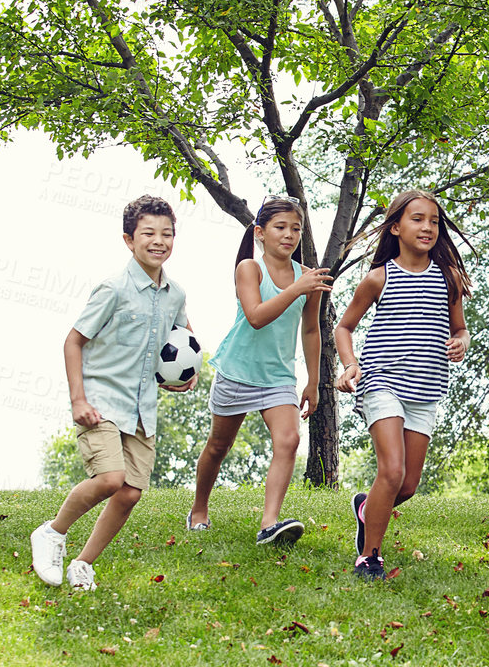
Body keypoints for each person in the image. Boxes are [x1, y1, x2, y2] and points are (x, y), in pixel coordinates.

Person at [30, 195, 193, 592]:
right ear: (128, 239)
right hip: (101, 401)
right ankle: (52, 532)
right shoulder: (113, 288)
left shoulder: (176, 295)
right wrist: (78, 401)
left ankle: (83, 563)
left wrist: (182, 374)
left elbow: (183, 342)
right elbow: (73, 341)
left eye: (167, 234)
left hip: (142, 408)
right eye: (149, 233)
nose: (159, 241)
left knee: (130, 492)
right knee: (109, 478)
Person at [333, 189, 470, 580]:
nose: (427, 227)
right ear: (395, 227)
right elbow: (344, 327)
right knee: (391, 472)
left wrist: (460, 341)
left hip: (426, 391)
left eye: (434, 221)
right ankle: (370, 556)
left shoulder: (449, 279)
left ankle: (365, 509)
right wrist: (349, 365)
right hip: (382, 382)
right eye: (417, 219)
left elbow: (461, 329)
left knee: (406, 486)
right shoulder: (379, 277)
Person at [187, 196, 331, 545]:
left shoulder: (306, 279)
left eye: (296, 229)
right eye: (280, 227)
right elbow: (255, 317)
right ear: (260, 233)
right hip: (237, 371)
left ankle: (269, 524)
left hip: (278, 378)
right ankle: (199, 509)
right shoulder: (249, 269)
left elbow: (310, 330)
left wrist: (313, 381)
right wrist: (297, 288)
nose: (289, 235)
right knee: (218, 446)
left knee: (289, 440)